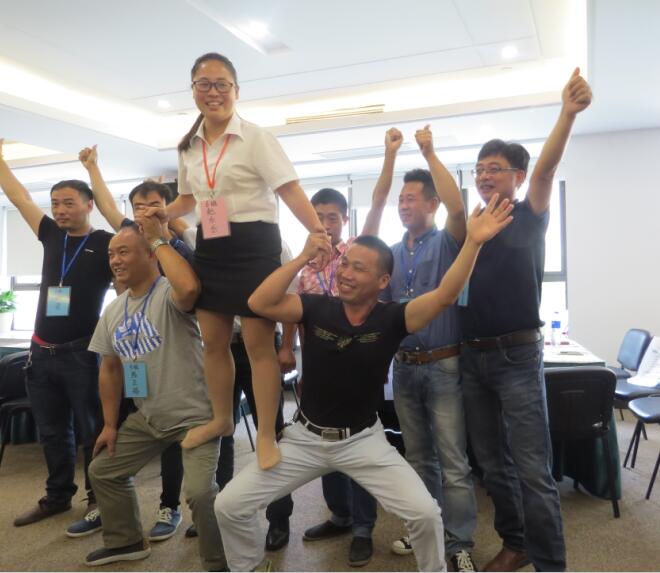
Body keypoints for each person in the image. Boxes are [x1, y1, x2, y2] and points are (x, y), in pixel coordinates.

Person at [215, 195, 514, 572]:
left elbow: (445, 295)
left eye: (359, 268)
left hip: (362, 440)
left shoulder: (393, 318)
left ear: (382, 281)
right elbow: (260, 302)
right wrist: (303, 257)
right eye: (345, 264)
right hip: (305, 439)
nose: (346, 273)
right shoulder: (316, 307)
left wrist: (473, 242)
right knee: (229, 505)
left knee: (424, 514)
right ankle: (249, 567)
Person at [153, 52, 330, 470]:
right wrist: (164, 213)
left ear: (236, 90)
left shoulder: (256, 138)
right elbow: (189, 198)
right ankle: (221, 418)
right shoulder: (188, 146)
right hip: (212, 246)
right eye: (204, 84)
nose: (213, 92)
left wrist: (317, 231)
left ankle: (267, 434)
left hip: (254, 245)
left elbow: (289, 190)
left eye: (221, 84)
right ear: (193, 90)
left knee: (257, 346)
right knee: (214, 343)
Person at [459, 68, 592, 572]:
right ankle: (515, 544)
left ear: (516, 176)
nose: (484, 175)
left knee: (533, 468)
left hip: (516, 354)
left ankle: (550, 564)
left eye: (494, 168)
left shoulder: (529, 214)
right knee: (491, 464)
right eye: (479, 169)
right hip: (473, 357)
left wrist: (567, 114)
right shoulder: (474, 225)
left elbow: (546, 172)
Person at [83, 217, 226, 570]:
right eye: (111, 254)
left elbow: (190, 289)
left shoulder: (169, 292)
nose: (115, 260)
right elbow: (110, 369)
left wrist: (159, 240)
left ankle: (219, 562)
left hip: (196, 417)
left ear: (149, 254)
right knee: (102, 471)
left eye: (124, 251)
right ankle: (126, 541)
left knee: (200, 493)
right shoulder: (113, 310)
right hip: (148, 419)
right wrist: (110, 425)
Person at [299, 127, 401, 568]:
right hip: (317, 370)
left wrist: (389, 156)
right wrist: (288, 351)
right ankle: (339, 516)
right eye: (318, 216)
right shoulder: (304, 265)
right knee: (323, 443)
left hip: (358, 368)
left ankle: (363, 527)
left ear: (343, 219)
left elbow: (377, 202)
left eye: (332, 217)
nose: (325, 223)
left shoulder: (355, 255)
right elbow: (296, 314)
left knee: (358, 445)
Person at [0, 139, 113, 532]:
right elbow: (18, 197)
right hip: (40, 354)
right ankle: (58, 496)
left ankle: (100, 499)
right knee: (51, 432)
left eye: (68, 202)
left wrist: (93, 168)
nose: (60, 209)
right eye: (55, 203)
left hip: (82, 354)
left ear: (89, 205)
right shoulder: (51, 234)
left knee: (91, 431)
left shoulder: (105, 244)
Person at [380, 126, 478, 571]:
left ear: (431, 203)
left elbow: (459, 208)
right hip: (404, 368)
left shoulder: (448, 241)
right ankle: (425, 531)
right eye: (400, 200)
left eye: (411, 199)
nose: (404, 205)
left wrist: (429, 152)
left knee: (453, 461)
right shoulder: (392, 253)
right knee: (418, 458)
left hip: (443, 365)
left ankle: (458, 545)